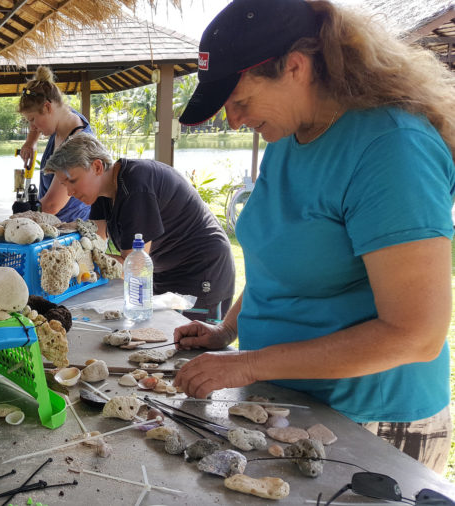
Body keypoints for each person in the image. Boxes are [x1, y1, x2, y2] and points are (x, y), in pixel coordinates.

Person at [172, 0, 455, 473]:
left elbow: (417, 334)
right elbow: (275, 262)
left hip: (371, 420)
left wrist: (249, 365)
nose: (235, 121)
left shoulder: (391, 148)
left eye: (240, 102)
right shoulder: (289, 137)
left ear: (296, 68)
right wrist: (227, 331)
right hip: (288, 399)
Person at [44, 133, 235, 320]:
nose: (69, 191)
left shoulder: (135, 187)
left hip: (201, 268)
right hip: (164, 269)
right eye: (64, 184)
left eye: (72, 181)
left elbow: (132, 266)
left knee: (190, 342)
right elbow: (96, 238)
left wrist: (73, 262)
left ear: (97, 166)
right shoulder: (103, 190)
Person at [18, 66, 94, 222]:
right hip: (49, 222)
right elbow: (41, 117)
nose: (32, 127)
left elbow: (51, 206)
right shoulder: (64, 116)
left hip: (70, 229)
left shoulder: (76, 146)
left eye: (32, 120)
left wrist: (18, 219)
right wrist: (30, 142)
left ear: (47, 107)